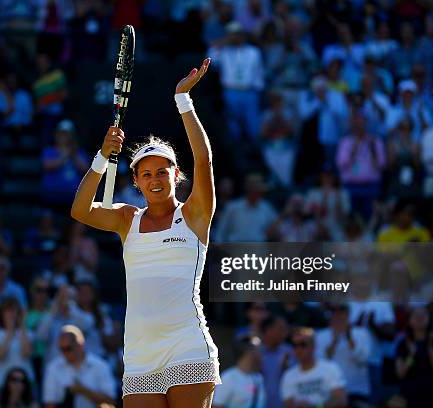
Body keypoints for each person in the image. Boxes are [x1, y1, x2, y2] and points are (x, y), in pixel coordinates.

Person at [71, 58, 220, 407]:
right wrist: (101, 158)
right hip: (140, 356)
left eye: (162, 172)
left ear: (176, 175)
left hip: (189, 348)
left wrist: (183, 100)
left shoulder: (195, 214)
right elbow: (80, 210)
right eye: (146, 174)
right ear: (136, 182)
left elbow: (204, 161)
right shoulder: (126, 219)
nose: (155, 180)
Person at [42, 325, 115, 408]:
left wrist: (83, 390)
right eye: (61, 349)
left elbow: (110, 400)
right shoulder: (53, 368)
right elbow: (49, 403)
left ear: (80, 345)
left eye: (68, 348)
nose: (64, 353)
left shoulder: (100, 366)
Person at [395, 306, 433, 408]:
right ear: (410, 320)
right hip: (410, 395)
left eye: (423, 314)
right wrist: (411, 355)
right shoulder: (403, 344)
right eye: (416, 315)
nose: (419, 317)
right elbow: (400, 373)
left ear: (430, 319)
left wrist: (430, 347)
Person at [280, 327, 347, 408]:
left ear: (313, 347)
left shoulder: (330, 368)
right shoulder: (288, 376)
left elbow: (341, 400)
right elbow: (288, 404)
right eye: (295, 345)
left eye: (303, 344)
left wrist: (316, 406)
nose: (298, 349)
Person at [0, 297, 34, 401]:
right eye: (8, 311)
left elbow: (26, 353)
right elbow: (0, 356)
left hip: (24, 385)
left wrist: (22, 326)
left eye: (15, 311)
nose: (12, 315)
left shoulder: (28, 334)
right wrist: (9, 333)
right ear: (1, 314)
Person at [212, 339, 266, 408]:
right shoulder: (228, 378)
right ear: (249, 353)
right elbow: (217, 405)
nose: (262, 355)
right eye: (259, 351)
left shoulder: (258, 377)